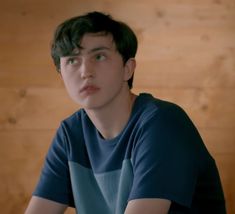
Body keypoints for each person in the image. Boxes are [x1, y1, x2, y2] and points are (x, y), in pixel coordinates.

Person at [25, 11, 226, 214]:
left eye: (99, 56)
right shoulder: (70, 133)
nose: (85, 71)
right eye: (72, 61)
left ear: (127, 69)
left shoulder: (163, 122)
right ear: (61, 73)